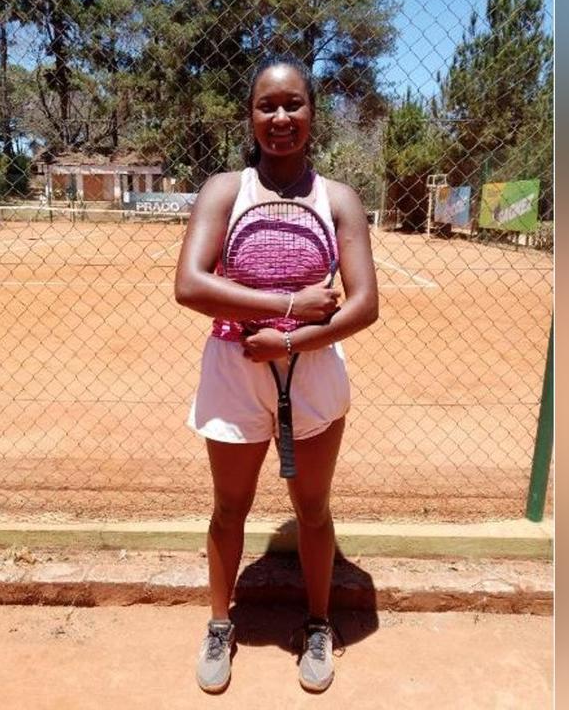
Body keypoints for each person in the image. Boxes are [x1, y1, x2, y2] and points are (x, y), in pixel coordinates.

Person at [173, 54, 379, 693]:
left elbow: (364, 306)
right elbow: (190, 285)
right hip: (235, 369)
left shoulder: (338, 199)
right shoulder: (224, 191)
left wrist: (289, 340)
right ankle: (219, 624)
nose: (281, 117)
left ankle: (318, 624)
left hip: (312, 373)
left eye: (294, 104)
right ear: (251, 116)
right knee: (228, 508)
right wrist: (288, 307)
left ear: (312, 113)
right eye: (268, 105)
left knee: (312, 509)